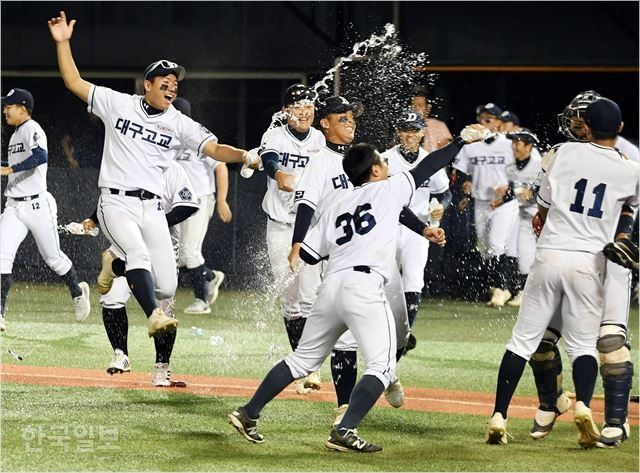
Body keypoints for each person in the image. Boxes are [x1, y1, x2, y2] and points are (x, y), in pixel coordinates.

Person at [228, 125, 486, 452]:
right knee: (382, 365)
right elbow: (428, 166)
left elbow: (308, 254)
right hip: (364, 286)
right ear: (375, 169)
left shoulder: (338, 202)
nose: (389, 166)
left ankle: (248, 412)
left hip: (331, 285)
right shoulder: (389, 189)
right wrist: (461, 141)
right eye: (383, 162)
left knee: (302, 360)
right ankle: (345, 430)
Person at [47, 11, 253, 337]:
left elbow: (214, 150)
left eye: (175, 84)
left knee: (168, 285)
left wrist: (242, 155)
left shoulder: (179, 122)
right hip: (116, 201)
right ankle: (153, 316)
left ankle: (114, 265)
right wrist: (63, 43)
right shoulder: (118, 104)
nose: (172, 88)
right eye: (165, 83)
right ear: (148, 85)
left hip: (153, 207)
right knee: (139, 254)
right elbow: (73, 82)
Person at [486, 98, 639, 449]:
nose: (575, 124)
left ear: (592, 122)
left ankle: (615, 419)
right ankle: (560, 403)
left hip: (577, 256)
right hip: (588, 259)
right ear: (617, 126)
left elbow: (544, 204)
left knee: (607, 342)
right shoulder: (622, 166)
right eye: (573, 118)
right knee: (556, 343)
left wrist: (625, 238)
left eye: (582, 119)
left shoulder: (562, 154)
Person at [289, 96, 413, 424]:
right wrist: (297, 242)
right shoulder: (320, 162)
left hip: (382, 258)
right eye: (342, 118)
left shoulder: (364, 158)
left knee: (400, 331)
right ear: (324, 124)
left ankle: (389, 370)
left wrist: (424, 228)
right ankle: (344, 404)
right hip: (345, 258)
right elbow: (306, 204)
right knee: (345, 336)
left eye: (351, 118)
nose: (350, 123)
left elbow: (395, 201)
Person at [84, 161, 198, 385]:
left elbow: (189, 205)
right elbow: (115, 196)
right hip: (126, 241)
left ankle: (161, 368)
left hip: (161, 246)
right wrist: (93, 218)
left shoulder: (173, 169)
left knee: (164, 306)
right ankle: (120, 354)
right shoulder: (131, 162)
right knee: (111, 299)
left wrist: (155, 224)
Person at [0, 88, 91, 332]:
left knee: (53, 258)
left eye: (9, 105)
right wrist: (6, 167)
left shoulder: (33, 129)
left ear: (22, 108)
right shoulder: (15, 135)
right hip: (14, 206)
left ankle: (77, 291)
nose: (4, 109)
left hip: (38, 205)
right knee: (2, 256)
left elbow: (41, 156)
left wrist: (9, 169)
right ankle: (0, 313)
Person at [258, 84, 326, 393]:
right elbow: (270, 160)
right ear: (287, 110)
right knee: (289, 297)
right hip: (280, 226)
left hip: (310, 227)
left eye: (309, 104)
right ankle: (302, 360)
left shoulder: (319, 139)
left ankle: (312, 366)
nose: (305, 109)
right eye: (298, 105)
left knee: (311, 296)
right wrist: (278, 174)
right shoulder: (274, 134)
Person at [382, 109, 451, 351]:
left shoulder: (429, 160)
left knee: (413, 279)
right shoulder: (385, 159)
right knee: (383, 278)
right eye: (405, 129)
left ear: (423, 132)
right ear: (398, 132)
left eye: (414, 130)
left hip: (418, 229)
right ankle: (382, 327)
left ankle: (405, 333)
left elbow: (444, 191)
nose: (410, 134)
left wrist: (441, 205)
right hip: (388, 227)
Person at [452, 103, 519, 308]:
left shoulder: (509, 143)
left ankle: (501, 288)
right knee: (486, 249)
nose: (485, 122)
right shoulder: (471, 144)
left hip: (505, 204)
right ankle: (500, 286)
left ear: (498, 123)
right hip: (481, 201)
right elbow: (460, 170)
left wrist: (508, 190)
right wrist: (465, 185)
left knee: (498, 243)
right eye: (482, 119)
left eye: (489, 119)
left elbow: (526, 171)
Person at [172, 97, 229, 314]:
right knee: (177, 255)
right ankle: (209, 276)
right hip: (177, 201)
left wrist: (222, 200)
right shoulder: (165, 137)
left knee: (189, 251)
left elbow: (221, 166)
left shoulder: (198, 135)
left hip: (199, 199)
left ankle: (201, 301)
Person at [500, 129, 542, 307]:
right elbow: (513, 192)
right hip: (523, 217)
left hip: (543, 217)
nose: (514, 146)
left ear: (529, 146)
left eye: (518, 142)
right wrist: (503, 195)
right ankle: (524, 292)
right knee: (523, 255)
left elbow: (551, 189)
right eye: (513, 142)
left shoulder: (540, 164)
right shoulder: (510, 167)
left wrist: (532, 193)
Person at [410, 85, 453, 152]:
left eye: (420, 106)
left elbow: (447, 149)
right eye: (413, 105)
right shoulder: (405, 125)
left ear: (427, 108)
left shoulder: (438, 125)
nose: (415, 109)